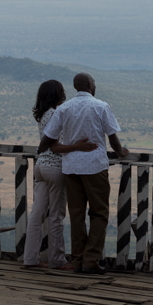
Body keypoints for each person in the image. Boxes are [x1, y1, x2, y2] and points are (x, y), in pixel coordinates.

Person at [39, 72, 129, 274]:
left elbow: (48, 138)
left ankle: (78, 261)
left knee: (76, 215)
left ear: (75, 87)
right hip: (95, 166)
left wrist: (39, 150)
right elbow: (113, 138)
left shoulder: (64, 108)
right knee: (99, 213)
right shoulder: (101, 106)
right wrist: (121, 152)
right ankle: (90, 260)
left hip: (71, 168)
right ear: (90, 85)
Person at [23, 79, 93, 270]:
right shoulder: (55, 114)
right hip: (55, 168)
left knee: (37, 214)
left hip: (40, 167)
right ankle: (57, 259)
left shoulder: (42, 114)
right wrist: (78, 146)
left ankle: (30, 258)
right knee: (56, 215)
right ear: (58, 94)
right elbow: (56, 146)